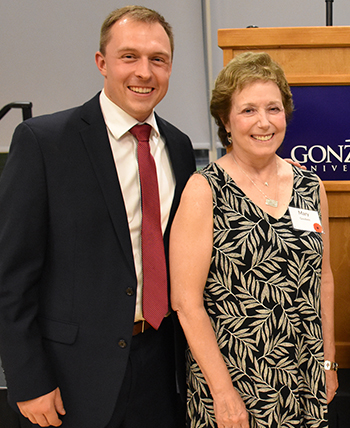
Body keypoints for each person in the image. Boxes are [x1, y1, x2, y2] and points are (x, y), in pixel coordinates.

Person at [0, 5, 196, 428]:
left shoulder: (179, 148)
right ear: (102, 63)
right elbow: (10, 276)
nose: (144, 72)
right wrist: (28, 378)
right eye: (129, 57)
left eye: (157, 59)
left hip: (163, 370)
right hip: (71, 379)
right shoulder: (44, 143)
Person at [170, 52, 338, 428]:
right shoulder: (204, 191)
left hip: (304, 376)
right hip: (235, 381)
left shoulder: (311, 186)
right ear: (225, 121)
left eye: (273, 109)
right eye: (248, 111)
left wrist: (328, 361)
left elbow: (323, 279)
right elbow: (186, 302)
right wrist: (222, 391)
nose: (264, 122)